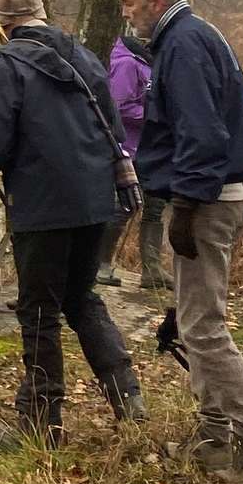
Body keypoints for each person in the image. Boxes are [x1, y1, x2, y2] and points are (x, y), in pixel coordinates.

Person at [123, 0, 243, 484]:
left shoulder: (183, 45)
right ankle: (214, 436)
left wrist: (186, 204)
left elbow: (202, 133)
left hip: (209, 200)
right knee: (194, 318)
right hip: (216, 194)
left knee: (201, 327)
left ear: (155, 1)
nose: (126, 14)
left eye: (130, 3)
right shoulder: (195, 35)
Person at [0, 0, 146, 439]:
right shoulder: (82, 56)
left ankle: (41, 423)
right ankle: (128, 397)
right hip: (97, 199)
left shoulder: (4, 64)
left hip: (42, 203)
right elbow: (114, 125)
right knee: (81, 296)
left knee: (39, 310)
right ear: (42, 13)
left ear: (3, 24)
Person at [97, 27, 167, 291]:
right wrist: (157, 116)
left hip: (153, 147)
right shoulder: (126, 62)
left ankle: (152, 269)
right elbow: (120, 107)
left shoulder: (151, 59)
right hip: (129, 148)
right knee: (125, 205)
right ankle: (101, 263)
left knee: (155, 206)